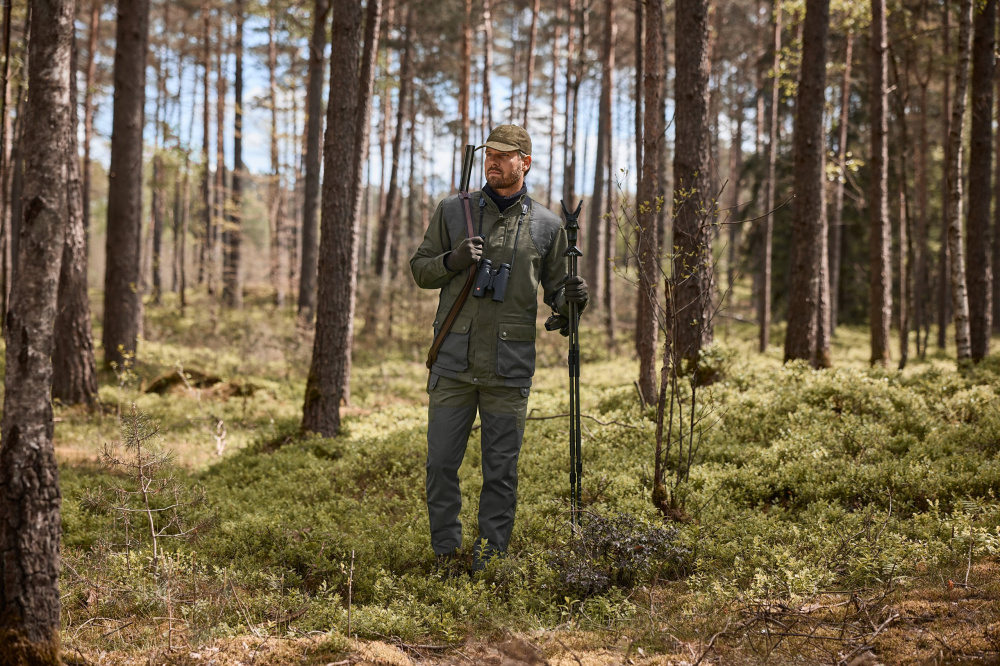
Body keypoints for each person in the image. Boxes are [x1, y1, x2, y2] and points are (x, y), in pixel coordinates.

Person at [410, 125, 589, 571]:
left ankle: (490, 560)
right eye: (490, 153)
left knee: (501, 473)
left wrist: (573, 301)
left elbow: (557, 298)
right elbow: (420, 269)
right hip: (453, 362)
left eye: (505, 155)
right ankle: (445, 554)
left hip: (508, 369)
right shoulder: (453, 211)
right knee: (440, 466)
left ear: (524, 162)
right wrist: (451, 261)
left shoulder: (548, 225)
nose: (494, 161)